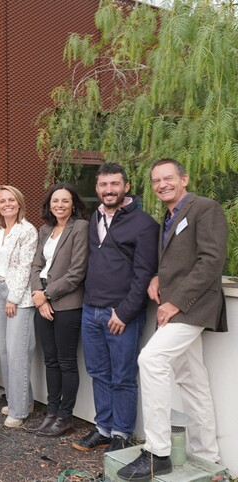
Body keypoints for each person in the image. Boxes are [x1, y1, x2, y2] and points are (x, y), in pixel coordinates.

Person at [119, 159, 227, 481]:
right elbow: (174, 262)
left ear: (184, 179)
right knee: (192, 380)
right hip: (175, 305)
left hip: (192, 306)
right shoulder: (167, 216)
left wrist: (177, 301)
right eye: (156, 181)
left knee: (151, 360)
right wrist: (156, 277)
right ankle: (208, 457)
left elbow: (211, 261)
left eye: (168, 178)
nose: (161, 184)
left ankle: (157, 453)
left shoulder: (205, 208)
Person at [72, 163, 158, 453]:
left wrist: (124, 312)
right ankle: (103, 429)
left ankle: (121, 433)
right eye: (103, 185)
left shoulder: (144, 224)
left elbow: (144, 275)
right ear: (97, 188)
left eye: (114, 184)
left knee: (122, 377)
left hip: (120, 314)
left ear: (126, 187)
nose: (109, 190)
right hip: (90, 310)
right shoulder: (94, 218)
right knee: (98, 373)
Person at [27, 183, 88, 437]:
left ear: (73, 204)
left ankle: (65, 417)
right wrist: (39, 298)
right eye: (55, 201)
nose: (59, 205)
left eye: (65, 201)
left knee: (66, 362)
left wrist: (47, 295)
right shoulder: (45, 229)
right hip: (42, 303)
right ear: (49, 204)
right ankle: (51, 413)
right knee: (50, 361)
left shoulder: (80, 228)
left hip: (67, 305)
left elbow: (77, 272)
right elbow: (35, 266)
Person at [0, 185, 38, 428]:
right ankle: (21, 400)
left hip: (17, 295)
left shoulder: (27, 230)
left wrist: (13, 298)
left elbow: (25, 267)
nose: (7, 204)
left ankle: (19, 411)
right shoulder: (0, 230)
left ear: (19, 202)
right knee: (6, 352)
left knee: (18, 353)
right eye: (2, 201)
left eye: (11, 200)